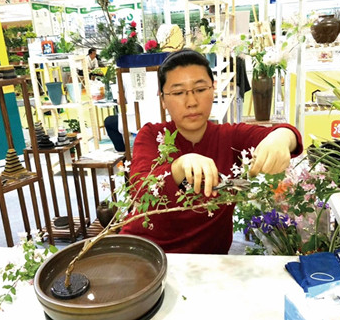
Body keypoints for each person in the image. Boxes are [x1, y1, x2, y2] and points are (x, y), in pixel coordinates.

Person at [119, 49, 303, 254]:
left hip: (208, 263)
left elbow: (288, 134)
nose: (191, 102)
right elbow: (140, 190)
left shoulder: (230, 137)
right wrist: (179, 167)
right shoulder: (152, 135)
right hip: (146, 253)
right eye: (178, 93)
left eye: (200, 89)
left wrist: (282, 138)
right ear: (163, 99)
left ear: (213, 90)